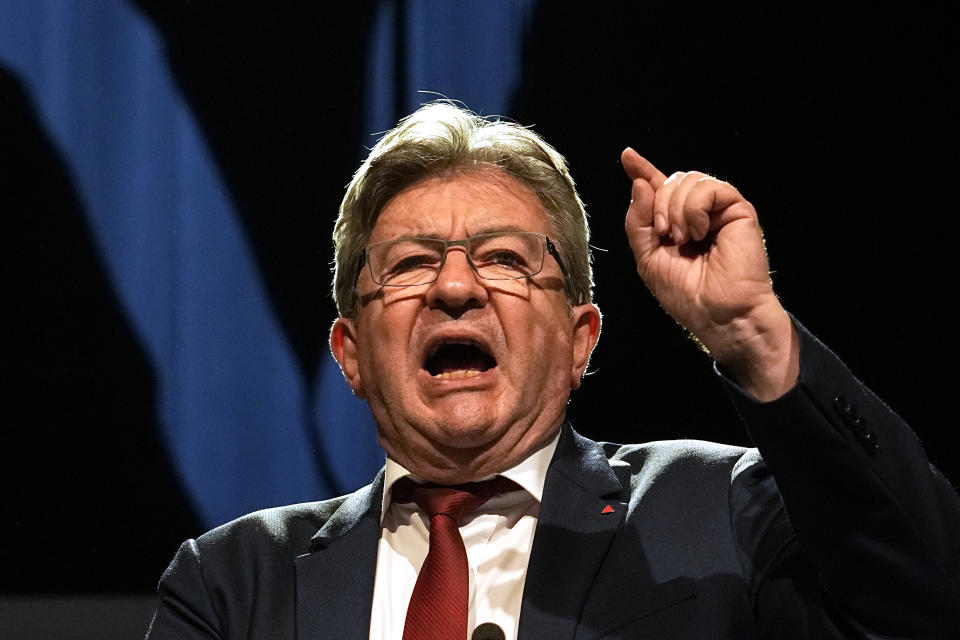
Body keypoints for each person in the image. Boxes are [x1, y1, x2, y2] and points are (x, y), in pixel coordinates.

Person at [146, 102, 960, 639]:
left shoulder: (716, 516)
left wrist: (753, 332)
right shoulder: (233, 588)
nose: (456, 288)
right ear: (351, 353)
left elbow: (926, 598)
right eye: (410, 264)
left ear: (580, 340)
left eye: (502, 258)